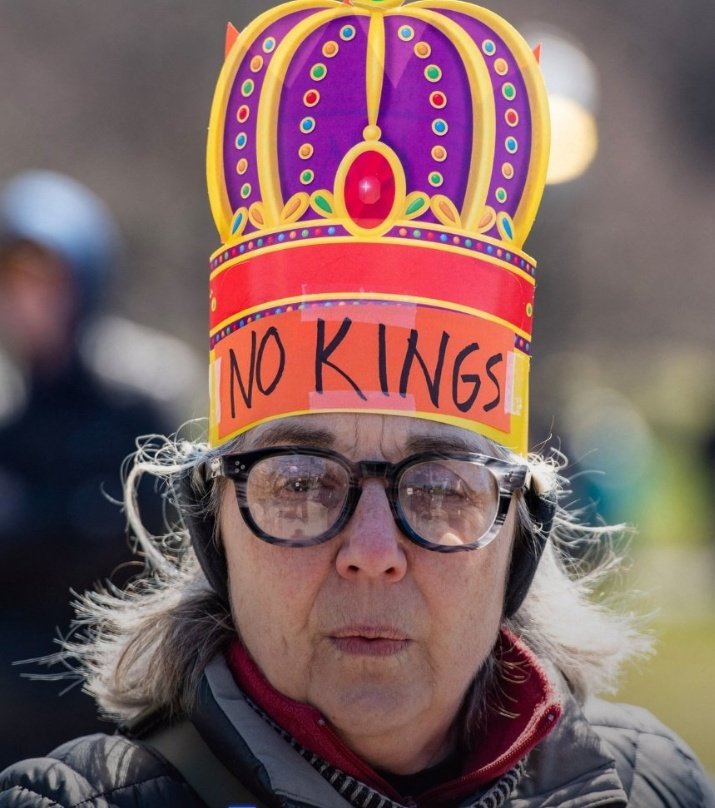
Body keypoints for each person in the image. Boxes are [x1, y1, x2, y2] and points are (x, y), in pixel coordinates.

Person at [1, 1, 713, 805]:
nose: (372, 551)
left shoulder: (655, 787)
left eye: (440, 486)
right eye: (302, 482)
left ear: (520, 534)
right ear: (213, 526)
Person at [0, 171, 172, 766]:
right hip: (16, 709)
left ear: (87, 279)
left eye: (46, 281)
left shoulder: (140, 393)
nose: (29, 302)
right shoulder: (13, 412)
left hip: (116, 704)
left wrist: (39, 525)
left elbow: (146, 543)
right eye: (15, 283)